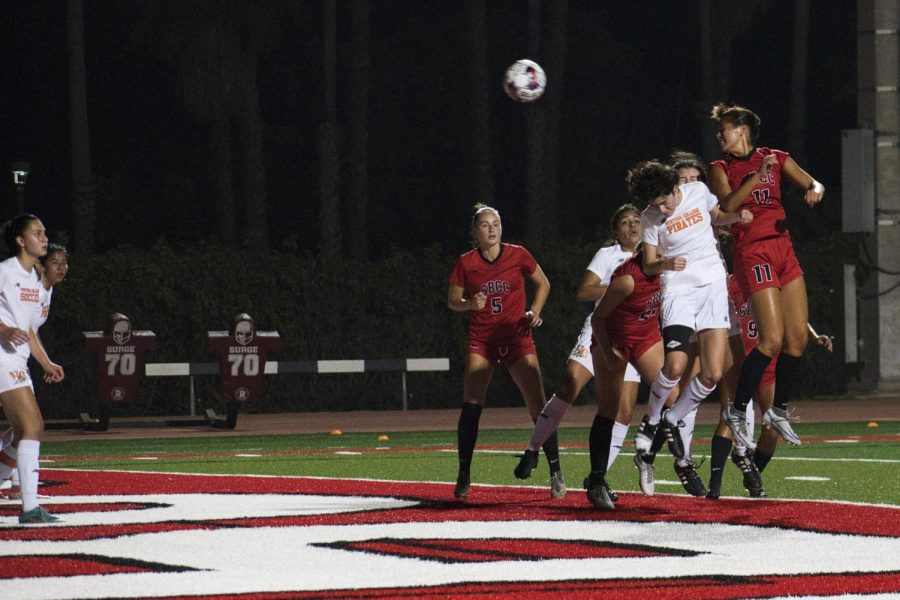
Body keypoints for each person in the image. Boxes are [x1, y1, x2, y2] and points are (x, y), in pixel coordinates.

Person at [629, 159, 752, 498]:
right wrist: (666, 263)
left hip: (712, 285)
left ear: (674, 187)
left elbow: (716, 218)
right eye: (655, 204)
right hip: (678, 289)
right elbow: (650, 264)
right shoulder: (651, 217)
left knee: (713, 373)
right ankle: (652, 420)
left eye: (665, 200)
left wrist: (735, 218)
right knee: (676, 365)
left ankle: (672, 418)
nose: (662, 207)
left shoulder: (697, 191)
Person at [709, 103, 825, 449]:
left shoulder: (774, 156)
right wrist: (757, 176)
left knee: (797, 342)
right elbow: (728, 205)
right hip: (753, 251)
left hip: (782, 248)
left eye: (724, 129)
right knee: (771, 340)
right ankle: (738, 409)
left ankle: (777, 411)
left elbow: (812, 181)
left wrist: (814, 189)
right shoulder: (720, 168)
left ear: (742, 130)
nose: (720, 135)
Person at [513, 205, 642, 492]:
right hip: (600, 328)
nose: (632, 226)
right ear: (615, 231)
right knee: (569, 385)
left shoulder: (652, 257)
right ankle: (533, 449)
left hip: (635, 335)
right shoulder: (608, 255)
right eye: (625, 222)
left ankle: (597, 478)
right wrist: (621, 289)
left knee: (624, 411)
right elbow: (584, 291)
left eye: (636, 221)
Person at [447, 204, 562, 499]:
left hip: (516, 338)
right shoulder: (466, 262)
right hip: (482, 340)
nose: (492, 229)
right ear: (475, 231)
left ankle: (556, 472)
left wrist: (534, 311)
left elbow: (544, 283)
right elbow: (453, 301)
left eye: (495, 223)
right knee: (472, 404)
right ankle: (463, 474)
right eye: (485, 225)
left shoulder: (518, 254)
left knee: (539, 406)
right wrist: (470, 304)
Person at [707, 270, 834, 499]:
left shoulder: (771, 283)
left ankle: (753, 474)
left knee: (772, 428)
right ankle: (714, 484)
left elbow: (794, 314)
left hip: (766, 363)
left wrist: (813, 336)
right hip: (738, 359)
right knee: (728, 418)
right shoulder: (729, 283)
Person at [581, 246, 664, 509]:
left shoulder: (669, 270)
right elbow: (598, 318)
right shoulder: (627, 280)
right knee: (610, 408)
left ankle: (646, 456)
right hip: (613, 339)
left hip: (645, 336)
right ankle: (596, 481)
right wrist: (607, 353)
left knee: (674, 399)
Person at [0, 215, 64, 523]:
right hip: (2, 357)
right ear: (20, 241)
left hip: (17, 359)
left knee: (21, 433)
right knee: (32, 426)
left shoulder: (32, 282)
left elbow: (28, 330)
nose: (44, 237)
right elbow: (12, 328)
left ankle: (27, 505)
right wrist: (3, 330)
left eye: (44, 232)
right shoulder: (5, 272)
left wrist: (46, 363)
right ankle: (29, 509)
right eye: (37, 233)